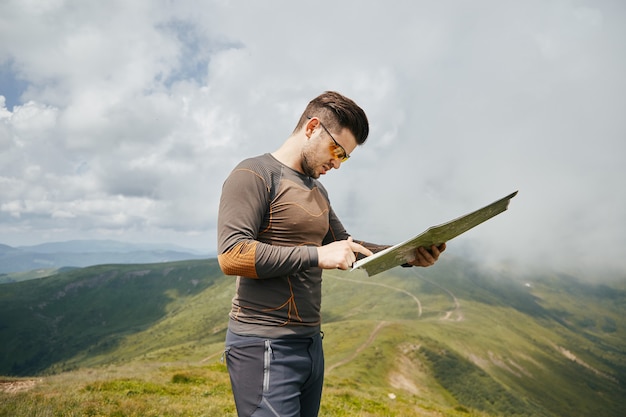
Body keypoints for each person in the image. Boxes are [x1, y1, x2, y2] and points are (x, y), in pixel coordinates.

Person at [217, 91, 445, 417]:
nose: (337, 164)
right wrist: (317, 255)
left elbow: (348, 245)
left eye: (345, 158)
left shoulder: (317, 190)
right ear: (312, 128)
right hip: (263, 345)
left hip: (310, 345)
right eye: (336, 150)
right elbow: (232, 254)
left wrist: (410, 255)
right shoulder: (253, 174)